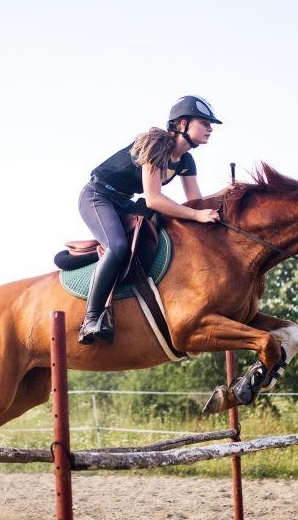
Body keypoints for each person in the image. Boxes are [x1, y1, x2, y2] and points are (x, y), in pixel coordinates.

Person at [77, 95, 222, 345]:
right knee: (119, 247)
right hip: (97, 196)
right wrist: (197, 214)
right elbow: (154, 199)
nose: (210, 129)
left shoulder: (186, 161)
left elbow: (195, 202)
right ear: (183, 123)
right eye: (205, 122)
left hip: (124, 202)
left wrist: (226, 196)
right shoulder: (157, 145)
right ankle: (91, 319)